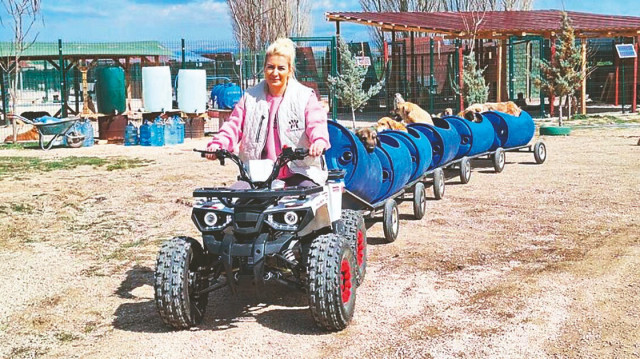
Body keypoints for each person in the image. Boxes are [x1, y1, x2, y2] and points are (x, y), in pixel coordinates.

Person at [206, 38, 330, 188]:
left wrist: (319, 141)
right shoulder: (249, 98)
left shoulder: (304, 96)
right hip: (257, 175)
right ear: (264, 68)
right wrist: (219, 145)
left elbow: (316, 123)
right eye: (270, 67)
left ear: (290, 70)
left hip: (299, 171)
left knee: (306, 197)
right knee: (235, 198)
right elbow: (233, 126)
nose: (275, 73)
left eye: (281, 68)